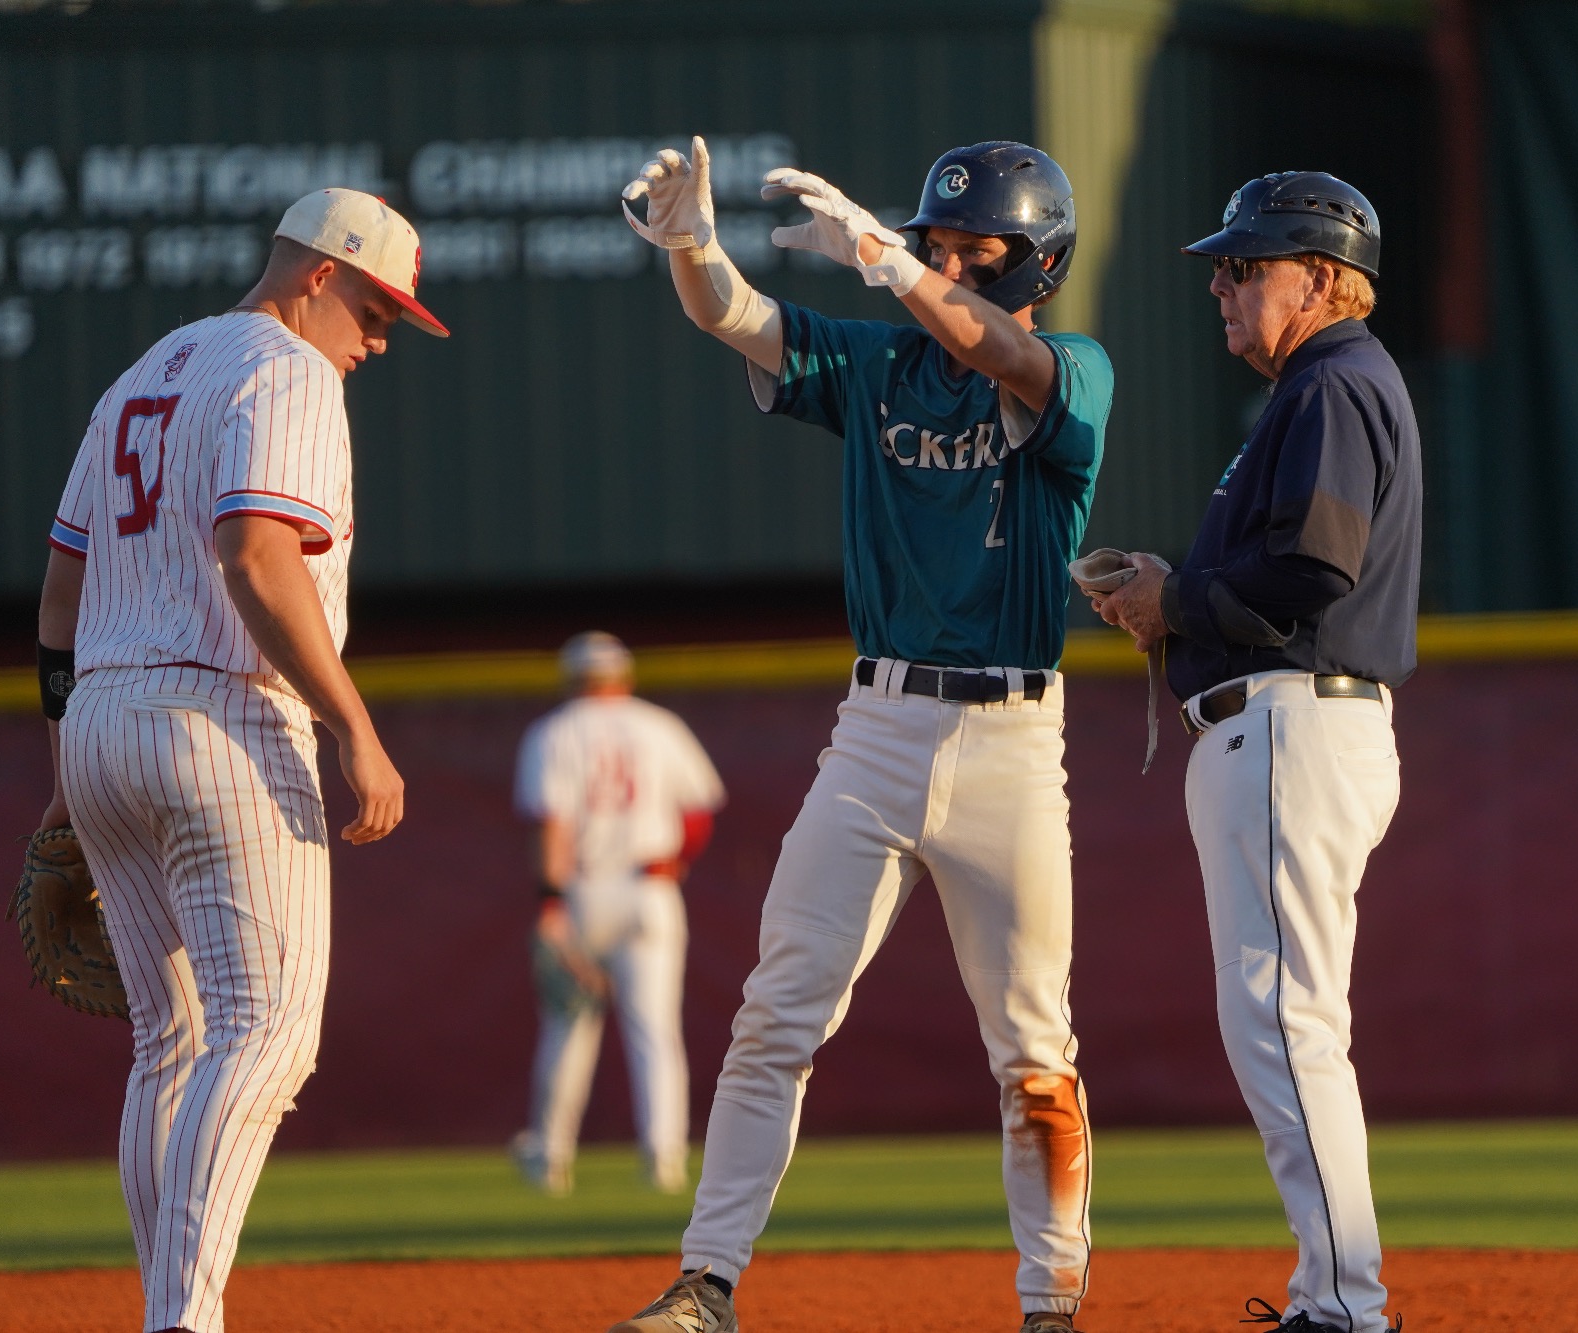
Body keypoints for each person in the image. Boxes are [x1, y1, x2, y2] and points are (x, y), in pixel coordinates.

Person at [606, 137, 1110, 1333]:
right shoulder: (881, 360)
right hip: (875, 728)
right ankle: (706, 1282)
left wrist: (886, 260)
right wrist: (691, 245)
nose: (943, 259)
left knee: (1032, 1042)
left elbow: (1002, 353)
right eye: (933, 241)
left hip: (1011, 741)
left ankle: (1050, 1303)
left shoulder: (1072, 364)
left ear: (1033, 263)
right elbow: (732, 316)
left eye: (969, 249)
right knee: (777, 1009)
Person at [34, 188, 446, 1333]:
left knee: (171, 1039)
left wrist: (67, 753)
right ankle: (184, 1320)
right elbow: (257, 554)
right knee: (267, 1031)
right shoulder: (290, 369)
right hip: (221, 714)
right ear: (317, 274)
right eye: (372, 309)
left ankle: (171, 1310)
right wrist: (353, 726)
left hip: (106, 717)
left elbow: (61, 596)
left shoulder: (144, 370)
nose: (375, 340)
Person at [1086, 172, 1417, 1333]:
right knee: (1282, 1020)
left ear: (1321, 280)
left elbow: (1314, 570)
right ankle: (1336, 1298)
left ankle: (1341, 1308)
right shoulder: (1320, 388)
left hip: (1290, 721)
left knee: (1283, 1022)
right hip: (1292, 722)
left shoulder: (1331, 380)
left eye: (1246, 265)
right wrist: (1166, 598)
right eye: (1222, 267)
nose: (1220, 286)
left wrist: (1180, 599)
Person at [508, 631, 725, 1198]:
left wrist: (549, 903)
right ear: (623, 675)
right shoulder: (660, 725)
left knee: (569, 1026)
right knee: (655, 1031)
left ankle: (550, 1161)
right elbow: (700, 810)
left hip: (582, 891)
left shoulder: (553, 731)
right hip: (650, 889)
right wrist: (674, 862)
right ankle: (665, 1161)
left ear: (571, 679)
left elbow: (551, 824)